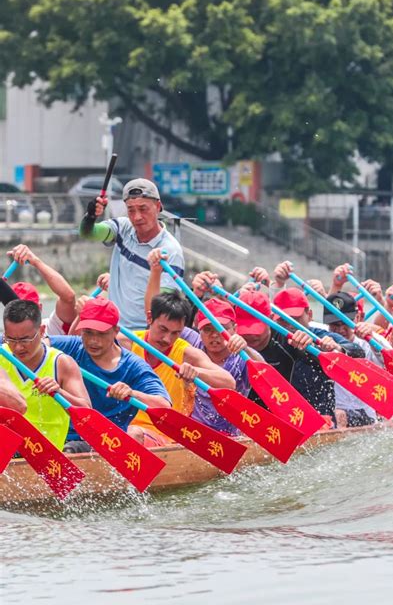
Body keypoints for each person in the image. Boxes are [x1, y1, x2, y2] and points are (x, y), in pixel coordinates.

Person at [46, 297, 171, 452]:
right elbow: (36, 346)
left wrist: (132, 393)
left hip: (108, 442)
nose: (93, 341)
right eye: (88, 332)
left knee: (132, 434)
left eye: (101, 334)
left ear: (116, 331)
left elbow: (165, 406)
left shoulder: (133, 366)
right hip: (62, 434)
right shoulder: (72, 345)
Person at [234, 289, 364, 423]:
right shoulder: (231, 340)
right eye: (283, 319)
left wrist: (335, 348)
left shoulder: (314, 336)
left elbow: (358, 351)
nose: (290, 324)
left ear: (309, 314)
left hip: (318, 420)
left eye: (295, 318)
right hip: (266, 421)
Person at [124, 291, 236, 442]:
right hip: (121, 426)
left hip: (164, 435)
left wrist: (196, 372)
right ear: (149, 318)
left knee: (132, 434)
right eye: (163, 329)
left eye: (175, 333)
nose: (167, 339)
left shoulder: (186, 353)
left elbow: (229, 382)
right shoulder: (127, 342)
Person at [79, 178, 184, 328]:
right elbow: (87, 233)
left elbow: (161, 311)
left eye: (143, 209)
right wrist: (91, 216)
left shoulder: (171, 250)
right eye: (131, 210)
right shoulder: (123, 227)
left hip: (143, 335)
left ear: (158, 206)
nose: (137, 217)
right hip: (113, 327)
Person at [0, 299, 91, 449]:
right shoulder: (2, 356)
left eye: (25, 339)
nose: (18, 347)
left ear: (42, 331)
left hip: (47, 454)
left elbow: (87, 414)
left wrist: (59, 392)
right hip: (7, 448)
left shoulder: (62, 364)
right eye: (11, 339)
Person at [191, 297, 264, 435]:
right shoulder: (191, 348)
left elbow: (267, 378)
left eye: (221, 328)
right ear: (198, 331)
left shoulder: (243, 357)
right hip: (194, 433)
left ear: (235, 329)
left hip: (231, 436)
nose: (214, 335)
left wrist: (246, 349)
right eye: (207, 329)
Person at [322, 292, 383, 427]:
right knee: (339, 415)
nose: (340, 329)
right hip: (337, 414)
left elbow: (385, 364)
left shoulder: (369, 342)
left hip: (367, 415)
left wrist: (373, 338)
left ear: (356, 318)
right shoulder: (321, 340)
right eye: (334, 325)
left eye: (344, 323)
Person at [5, 243, 77, 335]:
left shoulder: (52, 328)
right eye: (15, 310)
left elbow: (68, 297)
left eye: (28, 310)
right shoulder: (4, 340)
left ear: (40, 308)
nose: (22, 315)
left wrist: (35, 261)